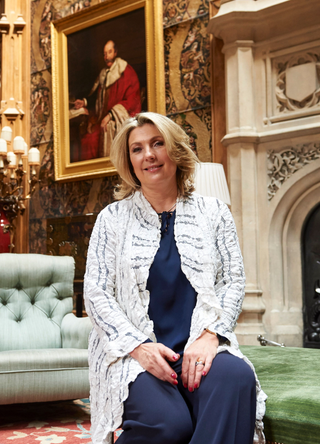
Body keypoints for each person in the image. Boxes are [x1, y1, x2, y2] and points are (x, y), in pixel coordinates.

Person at [84, 112, 267, 444]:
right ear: (129, 161)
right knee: (170, 424)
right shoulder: (111, 219)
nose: (149, 155)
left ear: (175, 150)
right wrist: (138, 347)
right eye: (137, 149)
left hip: (200, 344)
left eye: (157, 144)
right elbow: (96, 293)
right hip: (134, 354)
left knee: (236, 377)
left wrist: (211, 336)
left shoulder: (214, 212)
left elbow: (233, 280)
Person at [73, 40, 141, 161]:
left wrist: (110, 115)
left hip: (117, 120)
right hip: (101, 120)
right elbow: (98, 98)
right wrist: (84, 102)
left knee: (94, 140)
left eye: (109, 52)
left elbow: (132, 100)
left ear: (115, 52)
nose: (107, 57)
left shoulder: (126, 72)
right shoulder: (104, 74)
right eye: (104, 54)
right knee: (86, 141)